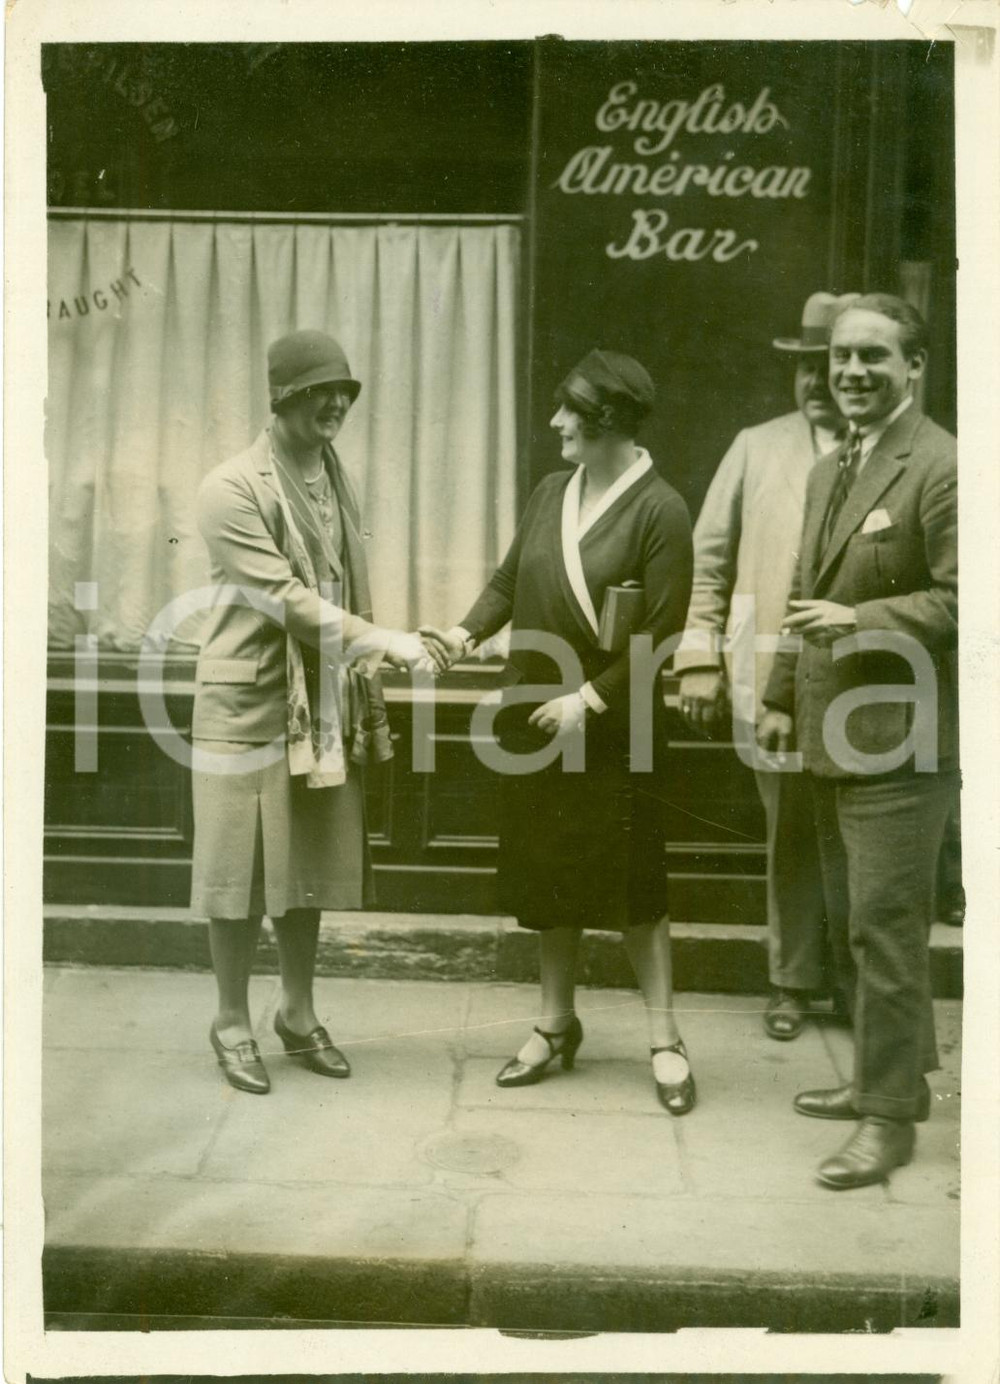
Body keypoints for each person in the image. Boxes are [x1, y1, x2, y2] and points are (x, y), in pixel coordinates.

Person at [422, 350, 696, 1113]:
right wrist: (462, 634)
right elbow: (510, 581)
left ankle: (666, 1040)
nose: (555, 424)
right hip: (537, 716)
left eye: (569, 411)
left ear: (607, 420)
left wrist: (590, 701)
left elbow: (662, 638)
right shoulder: (551, 491)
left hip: (615, 724)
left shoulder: (661, 509)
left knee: (636, 889)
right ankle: (554, 1024)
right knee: (551, 881)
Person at [191, 329, 441, 1094]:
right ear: (283, 399)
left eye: (345, 392)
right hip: (247, 701)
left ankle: (295, 1015)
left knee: (305, 865)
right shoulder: (231, 487)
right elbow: (287, 599)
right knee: (238, 875)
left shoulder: (334, 475)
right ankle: (231, 1021)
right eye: (319, 392)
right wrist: (383, 640)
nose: (337, 404)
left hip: (321, 704)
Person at [758, 295, 958, 1189]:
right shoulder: (832, 464)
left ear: (915, 367)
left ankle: (888, 1123)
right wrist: (774, 694)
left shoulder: (945, 466)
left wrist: (864, 616)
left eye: (874, 357)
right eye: (842, 357)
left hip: (902, 739)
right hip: (831, 729)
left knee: (884, 932)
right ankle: (895, 1075)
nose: (852, 373)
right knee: (854, 925)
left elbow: (969, 599)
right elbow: (804, 586)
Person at [675, 291, 859, 1041]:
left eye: (828, 365)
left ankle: (855, 987)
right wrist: (698, 660)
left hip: (861, 681)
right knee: (787, 834)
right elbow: (708, 563)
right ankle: (790, 980)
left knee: (858, 839)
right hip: (768, 677)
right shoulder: (757, 446)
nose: (815, 382)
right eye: (803, 367)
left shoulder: (885, 452)